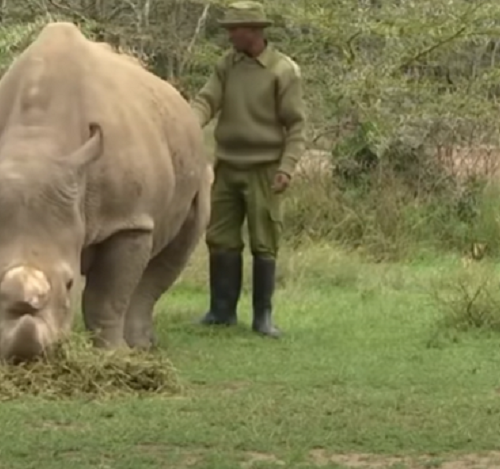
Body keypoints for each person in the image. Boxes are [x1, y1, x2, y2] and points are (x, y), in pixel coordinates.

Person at [190, 0, 306, 338]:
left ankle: (262, 317)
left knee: (264, 241)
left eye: (234, 30)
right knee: (220, 238)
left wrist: (287, 166)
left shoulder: (282, 71)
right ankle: (221, 310)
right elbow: (206, 100)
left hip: (265, 168)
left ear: (254, 31)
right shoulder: (228, 65)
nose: (229, 36)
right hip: (227, 164)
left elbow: (297, 126)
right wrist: (184, 122)